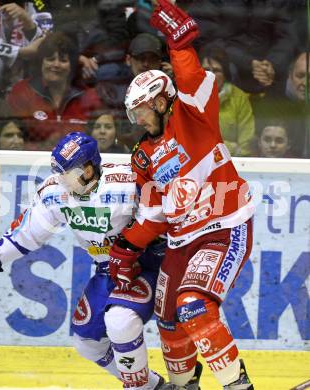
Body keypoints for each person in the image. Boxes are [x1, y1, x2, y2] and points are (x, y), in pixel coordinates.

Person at [107, 1, 255, 389]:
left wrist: (179, 46)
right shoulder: (145, 155)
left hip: (224, 227)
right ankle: (184, 385)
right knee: (169, 318)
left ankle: (238, 386)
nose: (136, 120)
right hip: (181, 241)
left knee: (194, 307)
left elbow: (190, 79)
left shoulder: (193, 114)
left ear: (159, 100)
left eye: (140, 110)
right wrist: (125, 247)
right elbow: (154, 215)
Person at [0, 132, 166, 390]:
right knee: (87, 343)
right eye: (59, 172)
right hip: (109, 269)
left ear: (89, 170)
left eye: (68, 173)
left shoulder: (126, 182)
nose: (61, 180)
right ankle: (153, 386)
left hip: (150, 262)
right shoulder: (55, 192)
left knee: (120, 322)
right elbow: (28, 234)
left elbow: (163, 211)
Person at [6, 32, 103, 150]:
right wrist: (43, 148)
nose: (56, 65)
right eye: (50, 59)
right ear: (41, 62)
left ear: (71, 65)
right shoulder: (22, 92)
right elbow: (12, 137)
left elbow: (98, 139)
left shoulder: (89, 97)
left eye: (63, 60)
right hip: (31, 163)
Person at [199, 45, 255, 157]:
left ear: (225, 74)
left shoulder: (239, 98)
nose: (210, 75)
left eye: (216, 70)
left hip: (231, 163)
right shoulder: (188, 97)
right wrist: (230, 146)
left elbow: (246, 146)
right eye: (206, 70)